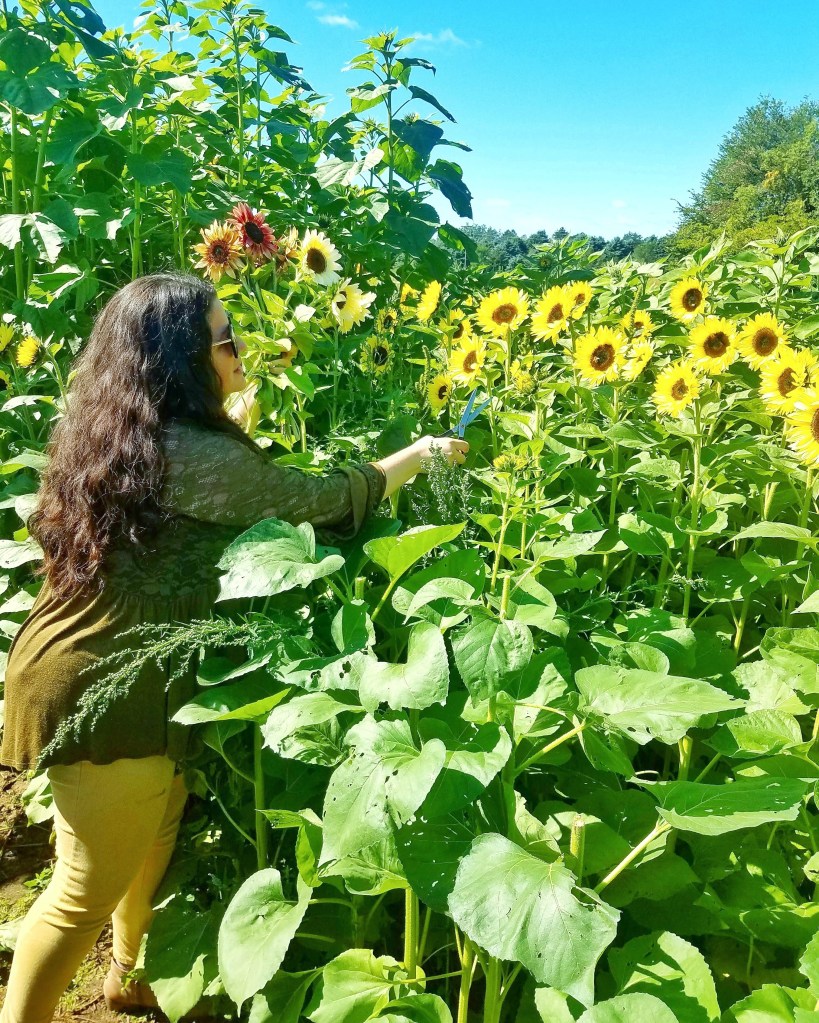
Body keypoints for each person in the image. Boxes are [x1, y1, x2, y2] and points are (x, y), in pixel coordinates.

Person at [0, 272, 468, 1022]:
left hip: (109, 659)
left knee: (155, 829)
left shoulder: (123, 431)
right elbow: (317, 504)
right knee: (78, 892)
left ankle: (126, 973)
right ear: (183, 360)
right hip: (108, 683)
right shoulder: (192, 454)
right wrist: (416, 455)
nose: (240, 350)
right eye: (226, 341)